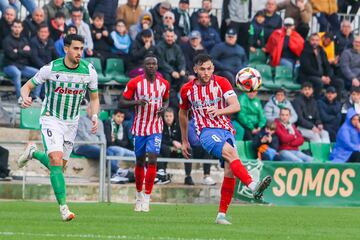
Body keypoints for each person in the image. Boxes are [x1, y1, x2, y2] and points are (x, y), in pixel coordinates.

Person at [179, 53, 271, 225]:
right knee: (230, 154)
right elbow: (183, 113)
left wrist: (219, 111)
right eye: (202, 69)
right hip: (206, 131)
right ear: (195, 70)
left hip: (226, 130)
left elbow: (236, 105)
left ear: (213, 68)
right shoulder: (187, 90)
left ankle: (221, 214)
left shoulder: (222, 82)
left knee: (230, 170)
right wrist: (184, 140)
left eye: (209, 68)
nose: (206, 73)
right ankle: (253, 186)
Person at [17, 34, 100, 221]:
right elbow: (26, 86)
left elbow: (94, 98)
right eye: (76, 48)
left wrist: (94, 115)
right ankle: (64, 208)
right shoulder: (51, 68)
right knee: (55, 159)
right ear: (66, 49)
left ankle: (34, 153)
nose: (80, 53)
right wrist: (25, 98)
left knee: (58, 168)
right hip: (51, 119)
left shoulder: (89, 71)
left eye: (81, 48)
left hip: (72, 123)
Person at [119, 55, 170, 212]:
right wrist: (136, 102)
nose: (151, 66)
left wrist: (164, 108)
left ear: (157, 66)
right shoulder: (135, 83)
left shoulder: (164, 84)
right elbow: (121, 102)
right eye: (148, 64)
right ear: (144, 66)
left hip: (155, 127)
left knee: (153, 158)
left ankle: (147, 197)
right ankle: (139, 194)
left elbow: (167, 100)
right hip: (139, 127)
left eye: (153, 64)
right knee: (140, 161)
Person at [3, 20, 40, 101]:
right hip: (9, 66)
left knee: (38, 73)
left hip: (22, 66)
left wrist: (17, 51)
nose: (17, 29)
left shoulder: (24, 40)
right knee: (17, 73)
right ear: (12, 28)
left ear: (22, 28)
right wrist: (23, 51)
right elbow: (11, 55)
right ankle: (21, 98)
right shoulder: (7, 40)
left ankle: (36, 97)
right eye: (15, 27)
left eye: (19, 27)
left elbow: (29, 53)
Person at [299, 33, 343, 99]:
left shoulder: (321, 50)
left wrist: (328, 76)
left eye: (317, 40)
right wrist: (321, 77)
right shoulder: (305, 51)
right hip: (308, 76)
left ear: (319, 41)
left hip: (323, 77)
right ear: (309, 41)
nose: (315, 42)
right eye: (313, 40)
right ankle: (316, 101)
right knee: (319, 82)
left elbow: (327, 65)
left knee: (339, 82)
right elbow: (307, 69)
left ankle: (336, 103)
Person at [103, 109, 135, 176]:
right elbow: (109, 142)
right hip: (109, 148)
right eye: (118, 116)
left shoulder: (122, 126)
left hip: (120, 147)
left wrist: (115, 140)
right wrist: (119, 142)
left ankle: (141, 172)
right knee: (120, 151)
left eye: (122, 117)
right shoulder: (108, 123)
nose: (120, 119)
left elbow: (125, 143)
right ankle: (116, 173)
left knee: (135, 154)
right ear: (113, 116)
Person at [157, 107, 180, 184]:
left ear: (174, 116)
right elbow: (161, 140)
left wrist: (180, 145)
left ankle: (188, 176)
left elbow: (181, 139)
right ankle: (162, 173)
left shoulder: (178, 125)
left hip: (177, 150)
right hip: (165, 149)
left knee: (188, 150)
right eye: (166, 116)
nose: (168, 118)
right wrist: (172, 142)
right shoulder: (160, 125)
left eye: (170, 116)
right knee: (163, 149)